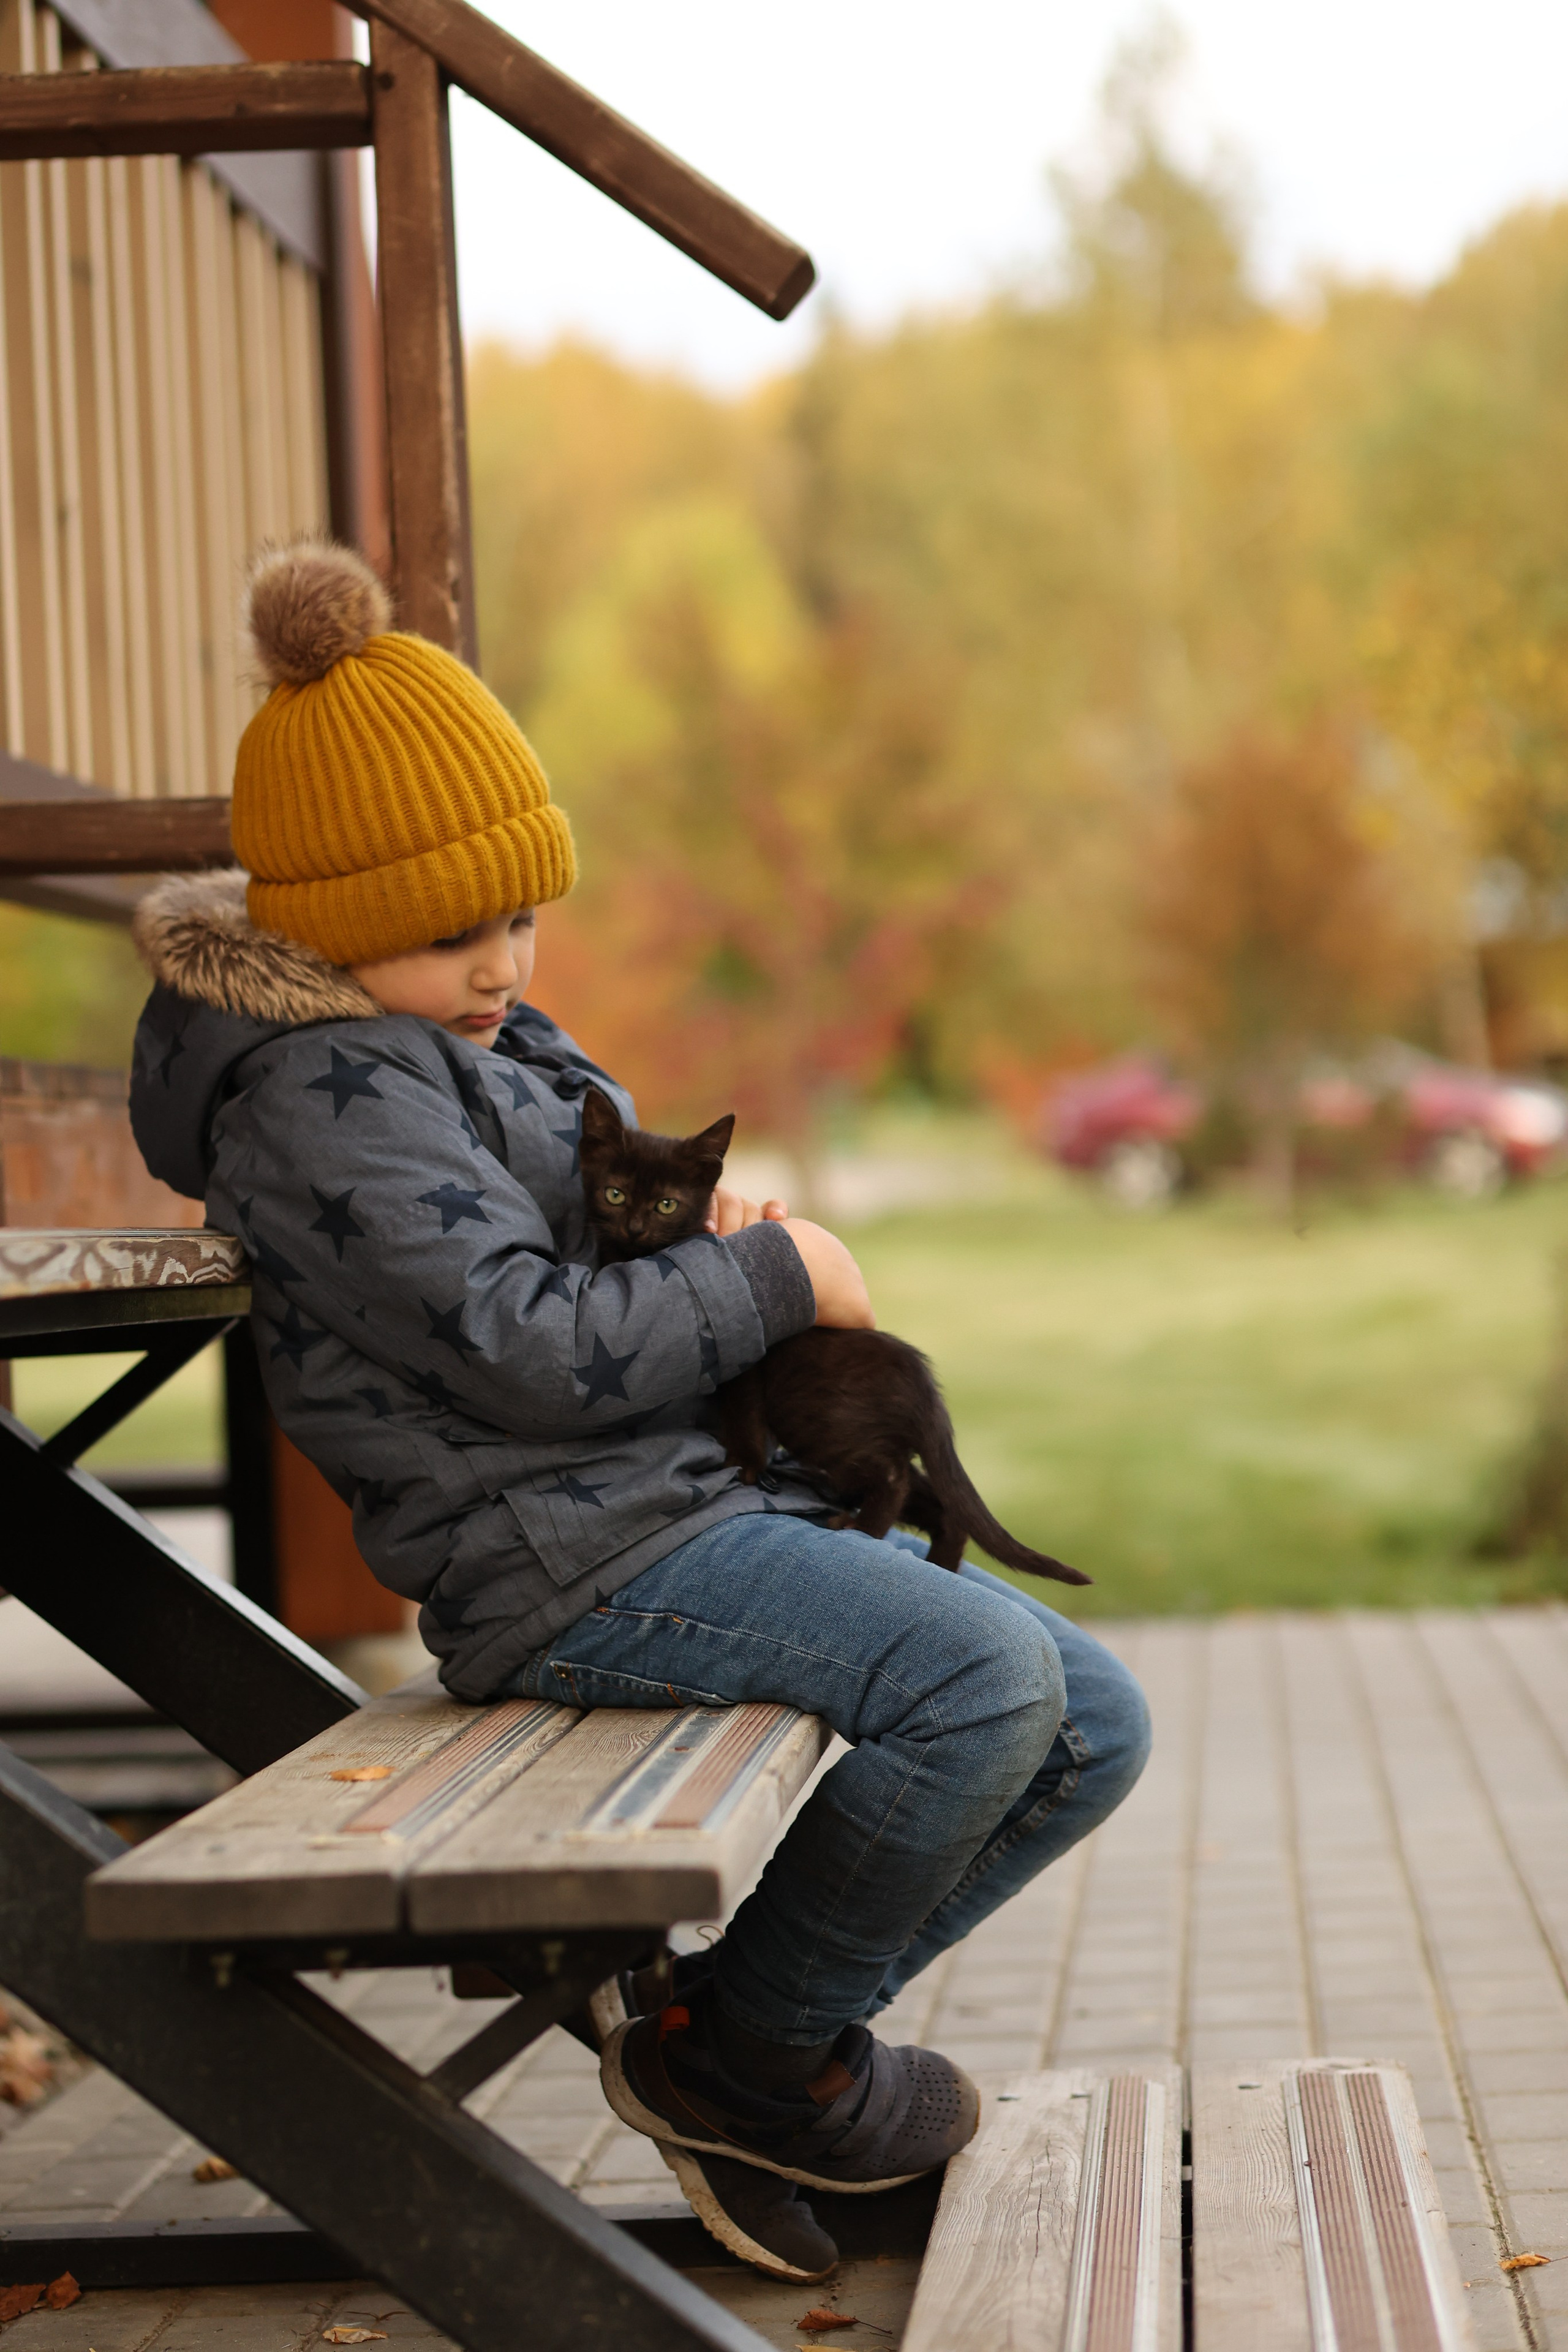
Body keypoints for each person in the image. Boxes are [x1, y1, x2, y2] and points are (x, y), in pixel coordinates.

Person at [129, 538, 1151, 2284]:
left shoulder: (462, 1041)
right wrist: (774, 1281)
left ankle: (750, 2043)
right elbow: (518, 1345)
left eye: (522, 918)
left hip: (672, 1508)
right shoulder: (316, 1096)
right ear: (325, 924)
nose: (507, 961)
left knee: (1092, 1714)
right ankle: (755, 2067)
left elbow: (581, 1233)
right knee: (979, 1679)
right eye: (457, 933)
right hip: (560, 1557)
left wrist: (723, 1245)